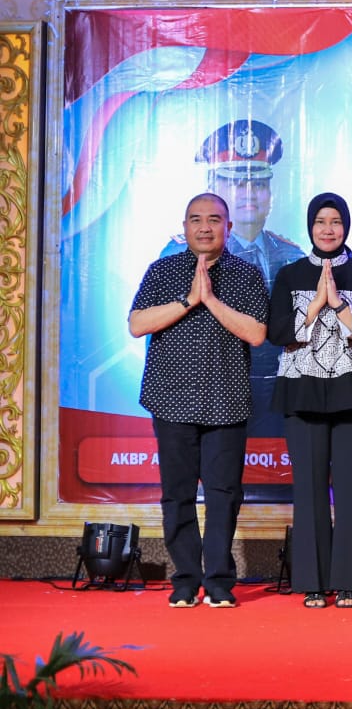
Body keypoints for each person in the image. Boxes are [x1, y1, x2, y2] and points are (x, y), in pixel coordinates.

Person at [129, 193, 268, 608]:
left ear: (228, 227)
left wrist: (211, 300)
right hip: (171, 399)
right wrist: (189, 300)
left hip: (226, 401)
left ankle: (220, 581)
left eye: (214, 219)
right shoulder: (162, 270)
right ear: (185, 227)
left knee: (224, 494)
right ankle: (186, 580)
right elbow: (137, 324)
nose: (204, 227)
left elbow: (257, 333)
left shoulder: (246, 274)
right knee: (177, 494)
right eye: (196, 219)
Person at [268, 193, 352, 610]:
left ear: (346, 226)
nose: (328, 229)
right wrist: (315, 306)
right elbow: (277, 332)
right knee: (310, 490)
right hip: (301, 392)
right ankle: (313, 581)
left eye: (336, 221)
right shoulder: (289, 274)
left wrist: (338, 304)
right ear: (310, 226)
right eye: (321, 221)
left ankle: (350, 580)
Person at [162, 120, 303, 444]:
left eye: (259, 184)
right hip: (205, 391)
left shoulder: (291, 255)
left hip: (275, 397)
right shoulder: (179, 254)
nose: (249, 193)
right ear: (215, 186)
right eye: (236, 182)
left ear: (271, 193)